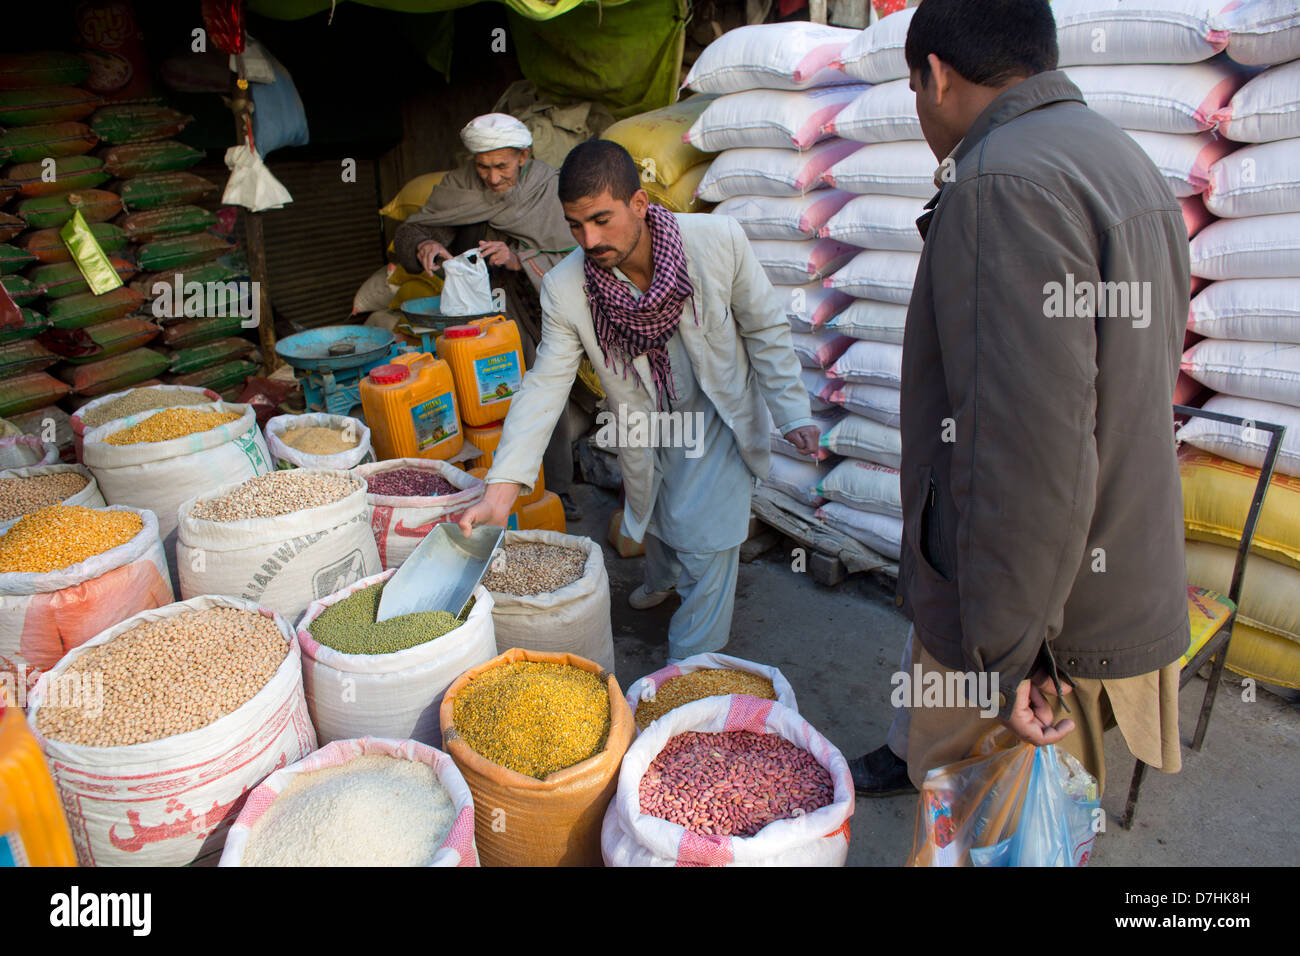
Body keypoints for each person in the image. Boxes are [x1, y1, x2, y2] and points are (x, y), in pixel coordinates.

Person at [850, 0, 1189, 801]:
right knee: (1045, 823)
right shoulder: (1117, 156)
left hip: (1038, 616)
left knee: (984, 828)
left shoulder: (999, 183)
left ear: (935, 75)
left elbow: (1024, 453)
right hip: (1106, 573)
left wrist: (1010, 656)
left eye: (911, 86)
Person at [457, 140, 819, 664]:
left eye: (602, 220)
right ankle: (662, 579)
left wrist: (794, 411)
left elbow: (765, 328)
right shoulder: (566, 287)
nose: (590, 240)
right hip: (643, 420)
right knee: (658, 503)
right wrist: (503, 487)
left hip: (716, 413)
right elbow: (544, 385)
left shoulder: (717, 242)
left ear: (640, 203)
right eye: (576, 225)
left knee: (709, 537)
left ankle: (686, 673)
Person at [392, 112, 584, 520]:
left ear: (524, 155)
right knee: (473, 401)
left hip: (528, 307)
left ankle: (556, 489)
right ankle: (473, 489)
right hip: (472, 313)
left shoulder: (551, 187)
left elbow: (578, 255)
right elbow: (414, 229)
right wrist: (424, 245)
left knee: (538, 389)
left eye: (502, 166)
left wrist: (520, 258)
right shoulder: (459, 187)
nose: (493, 178)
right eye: (483, 166)